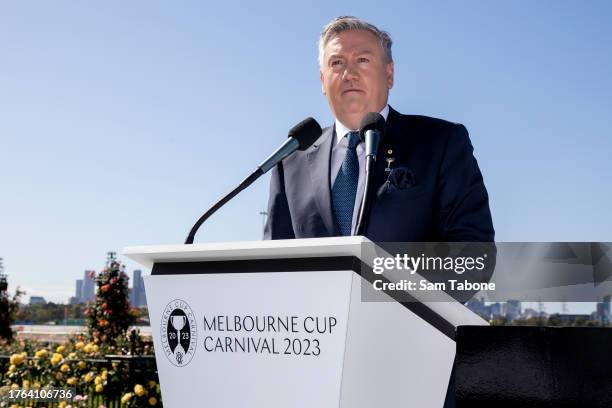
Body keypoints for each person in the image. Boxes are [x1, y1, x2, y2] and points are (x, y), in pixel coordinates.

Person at [264, 16, 494, 243]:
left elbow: (472, 254)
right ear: (323, 80)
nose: (349, 74)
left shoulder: (441, 143)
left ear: (389, 75)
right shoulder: (291, 161)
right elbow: (272, 263)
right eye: (337, 62)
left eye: (362, 60)